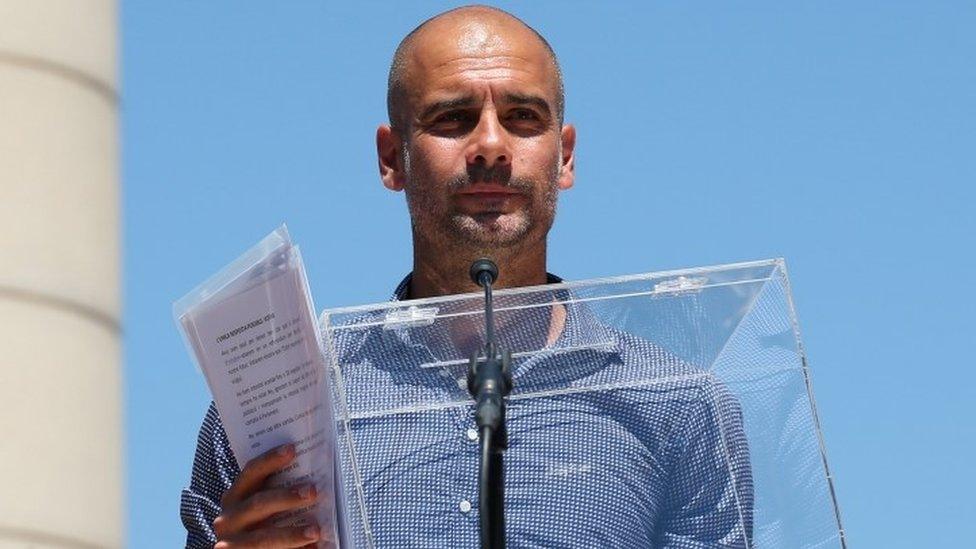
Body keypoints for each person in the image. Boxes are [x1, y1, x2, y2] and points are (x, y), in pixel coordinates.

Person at [181, 6, 752, 548]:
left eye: (523, 118)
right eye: (451, 119)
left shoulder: (678, 406)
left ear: (565, 156)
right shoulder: (282, 407)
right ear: (392, 158)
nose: (490, 146)